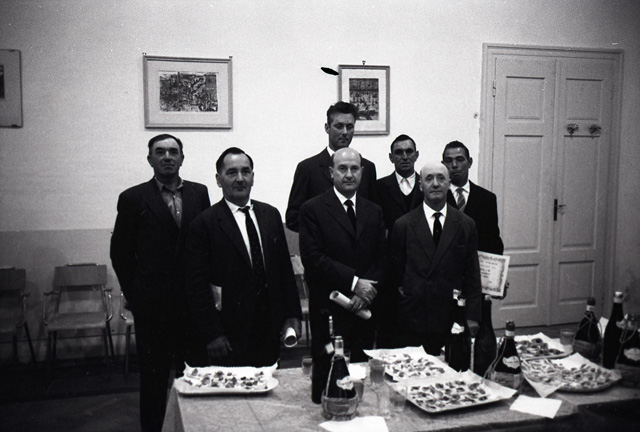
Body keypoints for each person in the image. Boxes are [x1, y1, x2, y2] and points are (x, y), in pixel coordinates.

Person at [110, 134, 211, 432]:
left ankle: (193, 427)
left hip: (193, 304)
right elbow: (121, 253)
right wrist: (136, 296)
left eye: (173, 151)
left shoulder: (199, 193)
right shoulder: (133, 198)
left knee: (194, 374)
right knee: (154, 379)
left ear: (182, 158)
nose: (167, 156)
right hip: (153, 307)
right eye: (160, 152)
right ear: (150, 159)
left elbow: (206, 245)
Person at [185, 147, 302, 368]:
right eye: (232, 172)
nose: (240, 178)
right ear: (219, 179)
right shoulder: (204, 223)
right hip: (229, 334)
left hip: (269, 328)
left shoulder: (270, 215)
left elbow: (284, 270)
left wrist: (293, 314)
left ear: (253, 177)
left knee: (269, 384)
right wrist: (212, 333)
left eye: (245, 171)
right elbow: (196, 286)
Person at [299, 147, 387, 363]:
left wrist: (365, 293)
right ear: (332, 172)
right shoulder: (312, 209)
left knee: (363, 372)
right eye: (342, 168)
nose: (349, 174)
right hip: (329, 308)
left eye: (354, 169)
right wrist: (354, 283)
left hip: (364, 308)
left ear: (362, 172)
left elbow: (382, 257)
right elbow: (313, 258)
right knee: (328, 373)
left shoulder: (374, 210)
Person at [389, 160, 481, 356]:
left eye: (441, 178)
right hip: (415, 317)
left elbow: (472, 274)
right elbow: (395, 274)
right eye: (429, 179)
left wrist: (472, 315)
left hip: (451, 315)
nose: (436, 184)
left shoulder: (466, 224)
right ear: (420, 185)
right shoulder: (403, 225)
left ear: (449, 183)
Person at [285, 101, 377, 232]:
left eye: (349, 127)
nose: (345, 132)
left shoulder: (367, 167)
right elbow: (292, 218)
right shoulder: (307, 168)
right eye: (339, 126)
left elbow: (374, 214)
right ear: (327, 128)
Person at [442, 141, 504, 255]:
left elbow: (493, 240)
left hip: (477, 264)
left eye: (460, 159)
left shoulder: (487, 199)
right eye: (448, 161)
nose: (454, 165)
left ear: (470, 162)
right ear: (443, 165)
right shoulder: (437, 197)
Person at [375, 134, 423, 233]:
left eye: (409, 151)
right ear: (391, 157)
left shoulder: (427, 186)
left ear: (416, 155)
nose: (405, 157)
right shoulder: (378, 188)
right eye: (399, 152)